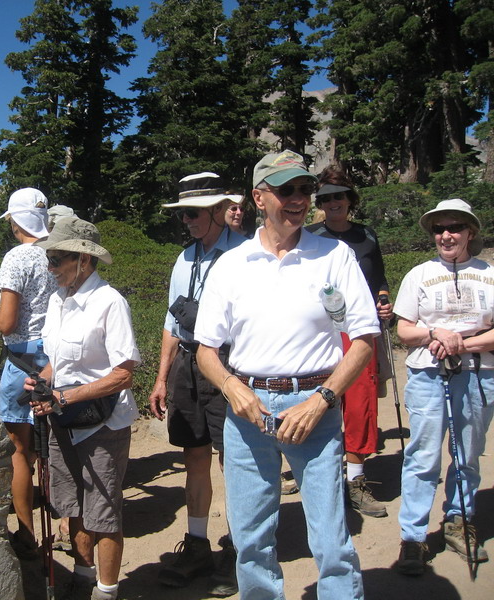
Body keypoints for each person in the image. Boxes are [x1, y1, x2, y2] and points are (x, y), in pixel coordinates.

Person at [195, 150, 379, 599]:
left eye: (305, 189)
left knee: (330, 535)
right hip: (248, 413)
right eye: (286, 190)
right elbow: (205, 351)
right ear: (260, 198)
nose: (299, 199)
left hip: (314, 405)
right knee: (250, 537)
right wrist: (231, 386)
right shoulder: (231, 265)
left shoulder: (335, 255)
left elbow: (364, 340)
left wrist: (323, 401)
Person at [26, 216, 140, 600]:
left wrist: (66, 397)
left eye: (57, 259)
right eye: (50, 259)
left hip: (102, 424)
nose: (51, 267)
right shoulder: (58, 301)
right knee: (71, 502)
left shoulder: (110, 302)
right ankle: (82, 573)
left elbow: (124, 374)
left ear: (84, 261)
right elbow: (58, 360)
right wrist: (43, 380)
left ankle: (107, 592)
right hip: (63, 420)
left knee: (103, 511)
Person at [148, 172, 245, 596]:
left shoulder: (245, 254)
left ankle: (243, 549)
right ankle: (199, 542)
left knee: (236, 459)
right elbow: (172, 321)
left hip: (229, 365)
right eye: (182, 214)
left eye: (191, 213)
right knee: (196, 455)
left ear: (216, 212)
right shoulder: (184, 258)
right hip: (189, 365)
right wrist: (162, 377)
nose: (185, 221)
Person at [394, 198, 494, 575]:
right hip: (427, 374)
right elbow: (405, 330)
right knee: (423, 456)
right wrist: (436, 332)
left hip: (479, 372)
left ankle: (458, 520)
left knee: (468, 453)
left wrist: (461, 343)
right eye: (439, 229)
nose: (446, 235)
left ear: (471, 232)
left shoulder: (489, 273)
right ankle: (413, 537)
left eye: (454, 227)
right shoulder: (418, 274)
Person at [306, 167, 393, 517]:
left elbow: (379, 278)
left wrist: (384, 299)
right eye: (325, 198)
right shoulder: (310, 235)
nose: (332, 203)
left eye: (338, 196)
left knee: (360, 401)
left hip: (359, 329)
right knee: (316, 397)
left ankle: (355, 478)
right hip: (321, 331)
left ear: (349, 199)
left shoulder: (366, 236)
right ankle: (314, 468)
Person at [0, 188, 57, 559]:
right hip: (57, 355)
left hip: (22, 359)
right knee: (58, 446)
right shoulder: (58, 250)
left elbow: (6, 322)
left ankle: (27, 533)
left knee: (20, 450)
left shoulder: (16, 257)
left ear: (16, 221)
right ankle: (67, 522)